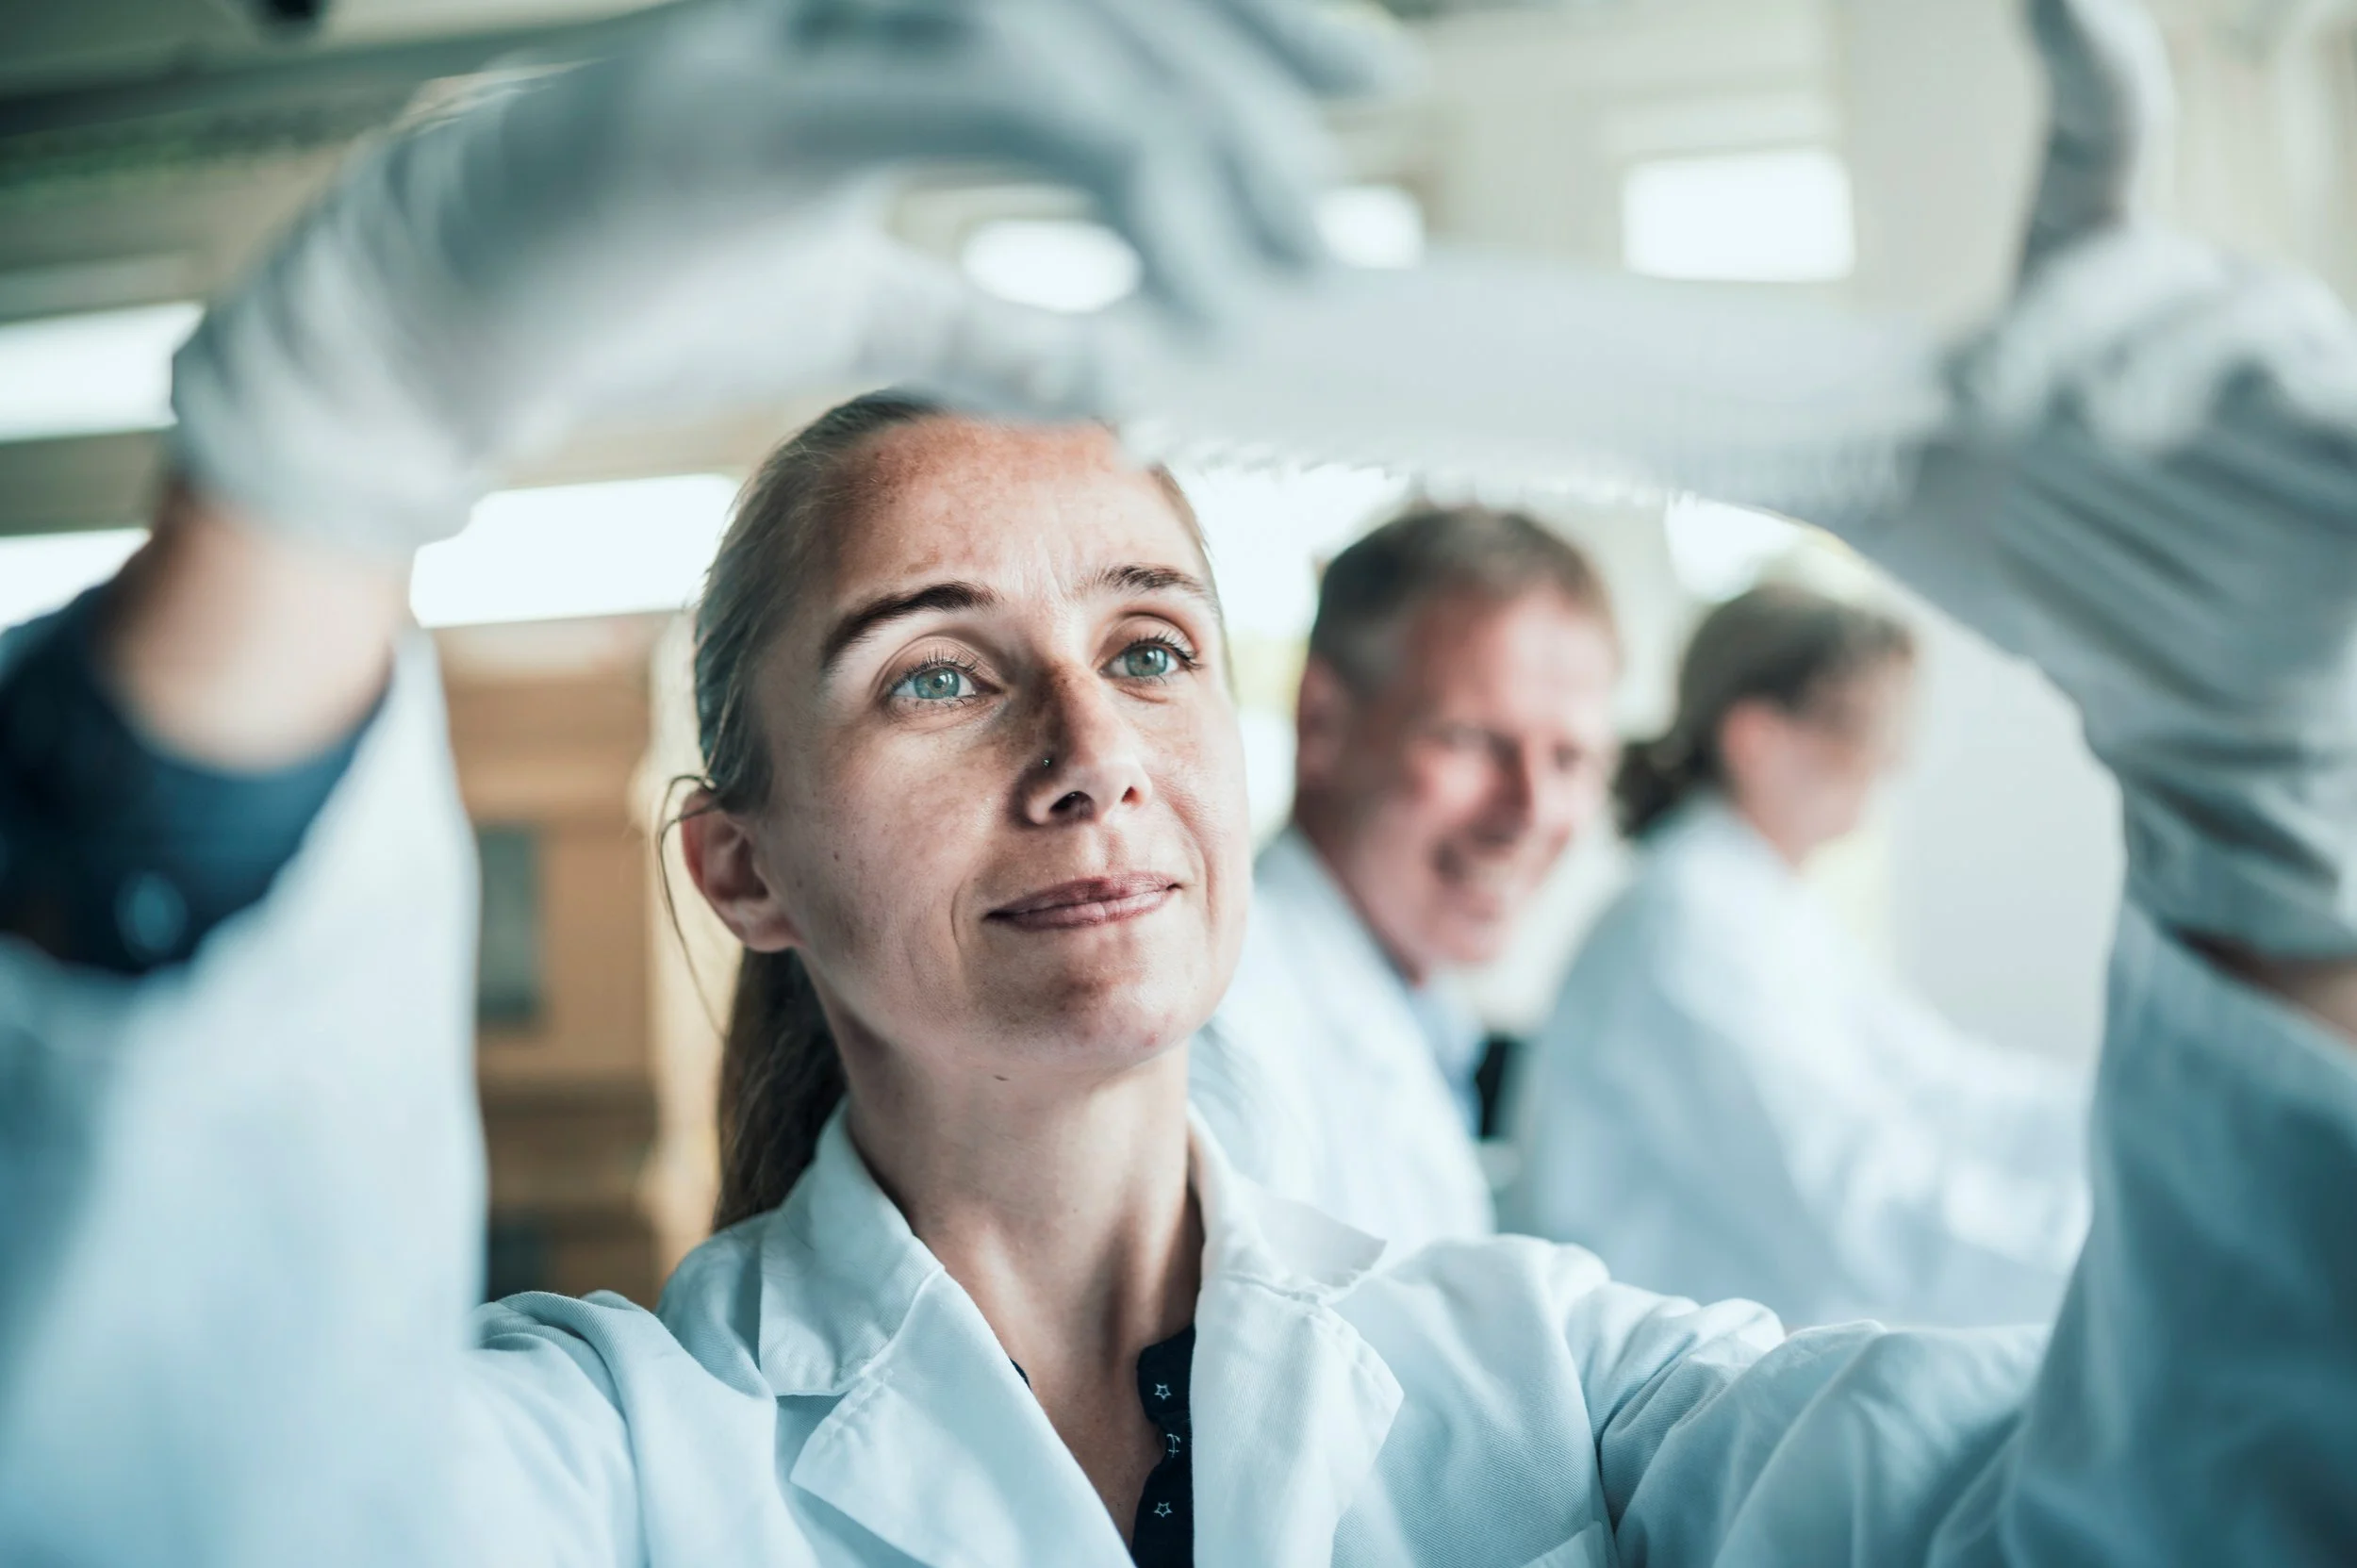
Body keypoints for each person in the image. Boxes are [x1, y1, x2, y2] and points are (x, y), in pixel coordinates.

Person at [6, 4, 2357, 1567]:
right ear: (744, 866)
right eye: (937, 678)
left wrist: (2276, 812)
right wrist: (324, 463)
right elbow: (186, 1500)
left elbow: (2156, 1512)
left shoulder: (1551, 1378)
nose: (1092, 744)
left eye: (1146, 644)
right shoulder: (615, 1461)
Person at [1505, 584, 2094, 1327]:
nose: (1891, 763)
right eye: (1867, 728)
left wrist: (2146, 1117)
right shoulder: (1687, 927)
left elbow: (1944, 1091)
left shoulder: (1765, 905)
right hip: (1653, 1412)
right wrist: (2117, 1259)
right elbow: (1856, 1205)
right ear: (1755, 738)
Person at [1190, 505, 1620, 1249]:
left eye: (1570, 759)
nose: (1531, 809)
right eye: (1474, 741)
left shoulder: (1419, 1006)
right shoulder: (1226, 1036)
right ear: (1322, 723)